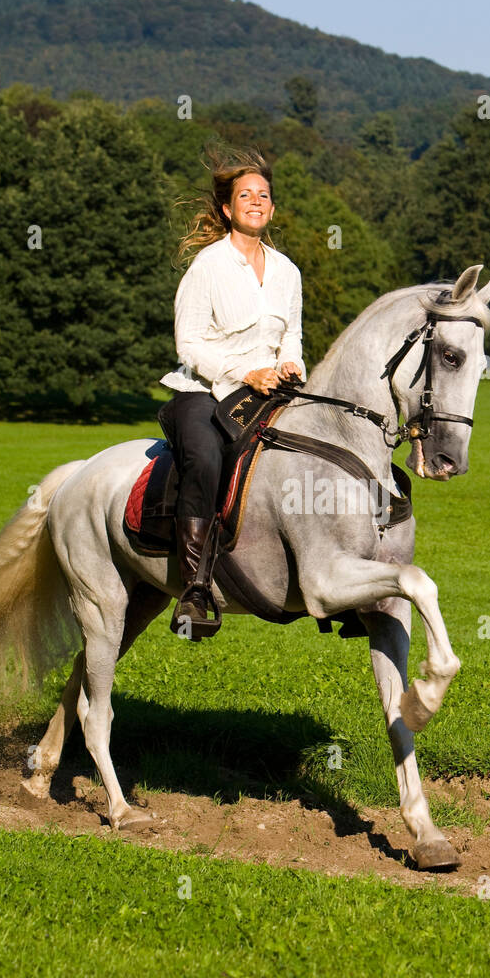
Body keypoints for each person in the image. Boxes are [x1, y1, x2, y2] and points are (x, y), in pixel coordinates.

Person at [158, 150, 305, 638]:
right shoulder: (208, 265)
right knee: (204, 456)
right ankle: (196, 588)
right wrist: (247, 372)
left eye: (264, 195)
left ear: (273, 209)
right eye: (246, 195)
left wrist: (290, 364)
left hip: (269, 389)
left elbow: (293, 335)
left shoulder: (287, 271)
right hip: (203, 391)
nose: (256, 201)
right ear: (227, 209)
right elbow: (190, 343)